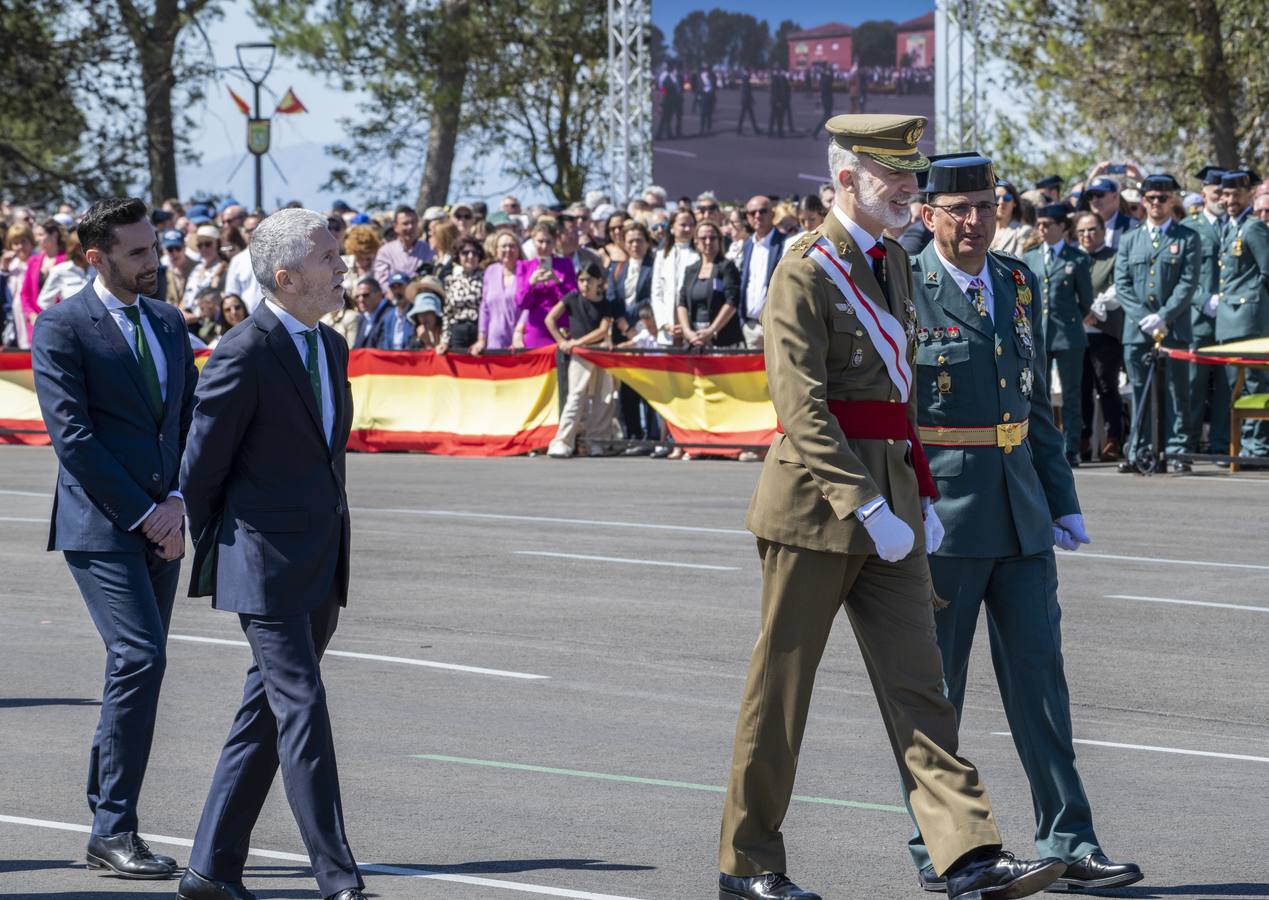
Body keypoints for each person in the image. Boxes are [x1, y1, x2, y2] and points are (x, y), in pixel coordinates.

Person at [719, 116, 1065, 900]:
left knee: (921, 689)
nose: (911, 191)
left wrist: (920, 490)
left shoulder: (895, 266)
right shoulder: (803, 269)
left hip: (895, 505)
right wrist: (866, 504)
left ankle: (967, 855)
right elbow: (800, 410)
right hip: (814, 508)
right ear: (846, 181)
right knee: (780, 694)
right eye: (894, 179)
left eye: (912, 178)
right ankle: (747, 865)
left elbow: (900, 394)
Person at [906, 153, 1143, 896]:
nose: (975, 221)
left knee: (1043, 684)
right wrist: (910, 503)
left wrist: (1061, 497)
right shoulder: (904, 289)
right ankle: (943, 851)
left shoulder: (1018, 280)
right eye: (959, 209)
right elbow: (897, 412)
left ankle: (1069, 839)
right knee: (935, 694)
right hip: (944, 515)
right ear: (927, 216)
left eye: (986, 205)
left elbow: (1031, 400)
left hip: (1021, 514)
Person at [177, 208, 366, 900]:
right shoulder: (243, 351)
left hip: (320, 560)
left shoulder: (331, 347)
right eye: (328, 257)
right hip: (260, 561)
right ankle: (337, 877)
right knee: (302, 708)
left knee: (265, 712)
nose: (342, 266)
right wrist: (216, 551)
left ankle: (209, 868)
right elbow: (200, 470)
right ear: (285, 277)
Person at [31, 197, 197, 881]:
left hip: (165, 519)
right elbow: (73, 438)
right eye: (135, 252)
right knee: (139, 659)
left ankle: (109, 819)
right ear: (96, 258)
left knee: (139, 666)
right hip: (103, 526)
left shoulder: (167, 320)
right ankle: (113, 827)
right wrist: (145, 513)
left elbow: (187, 419)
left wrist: (181, 502)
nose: (150, 260)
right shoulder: (62, 327)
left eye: (152, 246)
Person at [1113, 174, 1199, 473]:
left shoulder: (1188, 237)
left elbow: (1188, 283)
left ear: (1173, 199)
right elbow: (1121, 283)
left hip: (1172, 327)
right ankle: (1140, 449)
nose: (1156, 203)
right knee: (1139, 390)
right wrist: (1142, 317)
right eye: (1150, 198)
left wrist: (1164, 314)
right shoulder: (1129, 239)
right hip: (1137, 331)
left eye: (1162, 198)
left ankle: (1177, 449)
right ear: (1143, 199)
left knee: (1177, 391)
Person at [1024, 204, 1093, 465]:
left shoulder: (1076, 258)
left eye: (1047, 224)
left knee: (1071, 394)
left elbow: (1086, 300)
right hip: (1038, 333)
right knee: (1036, 391)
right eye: (1039, 224)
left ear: (1063, 227)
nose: (1041, 229)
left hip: (1068, 334)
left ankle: (1071, 446)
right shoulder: (1030, 257)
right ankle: (1038, 445)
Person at [1214, 170, 1269, 458]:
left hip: (1248, 317)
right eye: (1225, 194)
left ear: (1249, 194)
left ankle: (1256, 446)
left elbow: (1267, 270)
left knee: (1254, 384)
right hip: (1228, 319)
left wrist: (1255, 302)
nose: (1230, 199)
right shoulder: (1230, 227)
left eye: (1236, 194)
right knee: (1233, 386)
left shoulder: (1253, 227)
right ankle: (1243, 444)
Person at [546, 261, 618, 458]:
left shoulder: (605, 303)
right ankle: (563, 440)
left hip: (599, 352)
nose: (584, 284)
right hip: (579, 355)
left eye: (589, 280)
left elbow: (603, 330)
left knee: (603, 397)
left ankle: (598, 441)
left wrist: (577, 342)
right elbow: (550, 318)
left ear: (599, 282)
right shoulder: (572, 298)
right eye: (581, 280)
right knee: (576, 396)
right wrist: (562, 342)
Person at [1183, 166, 1231, 455]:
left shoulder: (1237, 225)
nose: (1223, 198)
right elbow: (1186, 276)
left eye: (1226, 193)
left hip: (1231, 319)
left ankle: (1221, 444)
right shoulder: (1191, 228)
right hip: (1199, 318)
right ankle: (1187, 446)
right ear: (1204, 194)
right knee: (1193, 387)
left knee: (1226, 387)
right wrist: (1203, 300)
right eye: (1217, 193)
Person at [1074, 211, 1125, 461]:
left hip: (1104, 333)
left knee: (1106, 387)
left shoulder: (1114, 257)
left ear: (1104, 231)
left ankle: (1113, 439)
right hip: (1076, 334)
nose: (1087, 235)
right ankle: (1082, 439)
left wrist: (1094, 309)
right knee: (1081, 388)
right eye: (1082, 231)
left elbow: (1118, 289)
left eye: (1092, 229)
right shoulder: (1072, 258)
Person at [677, 220, 742, 349]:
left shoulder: (727, 267)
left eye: (712, 238)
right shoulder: (690, 270)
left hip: (722, 339)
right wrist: (687, 332)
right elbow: (682, 302)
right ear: (695, 241)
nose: (708, 242)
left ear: (719, 240)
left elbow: (732, 301)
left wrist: (712, 330)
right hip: (694, 339)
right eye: (703, 238)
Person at [514, 220, 577, 349]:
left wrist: (558, 283)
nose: (544, 246)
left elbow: (574, 300)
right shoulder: (524, 266)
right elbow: (521, 303)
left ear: (554, 242)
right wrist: (530, 283)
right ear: (533, 241)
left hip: (561, 329)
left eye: (548, 242)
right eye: (540, 241)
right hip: (536, 330)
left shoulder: (565, 264)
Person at [738, 195, 786, 348]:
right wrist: (742, 322)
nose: (757, 216)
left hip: (775, 327)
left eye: (762, 211)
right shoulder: (746, 246)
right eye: (752, 213)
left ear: (772, 214)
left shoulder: (785, 243)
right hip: (749, 328)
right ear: (747, 217)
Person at [650, 209, 697, 347]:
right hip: (667, 330)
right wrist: (666, 324)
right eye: (683, 225)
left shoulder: (699, 254)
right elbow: (656, 293)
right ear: (671, 227)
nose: (687, 229)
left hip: (692, 330)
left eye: (691, 225)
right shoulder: (662, 255)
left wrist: (686, 327)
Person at [19, 219, 67, 345]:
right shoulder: (33, 261)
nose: (36, 239)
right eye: (36, 235)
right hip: (36, 325)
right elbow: (25, 294)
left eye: (40, 235)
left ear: (54, 235)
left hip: (60, 326)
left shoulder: (67, 261)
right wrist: (30, 314)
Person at [473, 230, 522, 354]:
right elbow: (484, 308)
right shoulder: (490, 271)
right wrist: (481, 339)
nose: (508, 249)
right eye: (503, 246)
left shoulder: (526, 270)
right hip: (494, 342)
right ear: (496, 251)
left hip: (519, 342)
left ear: (518, 249)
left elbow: (529, 308)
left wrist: (519, 333)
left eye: (512, 246)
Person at [373, 204, 435, 293]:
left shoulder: (428, 249)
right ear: (395, 227)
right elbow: (381, 283)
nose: (410, 227)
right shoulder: (385, 252)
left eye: (413, 222)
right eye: (405, 224)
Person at [440, 235, 484, 353]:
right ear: (458, 256)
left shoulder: (487, 278)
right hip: (458, 331)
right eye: (465, 253)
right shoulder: (451, 280)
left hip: (479, 330)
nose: (470, 256)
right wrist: (444, 340)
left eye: (474, 253)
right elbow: (448, 313)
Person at [37, 230, 92, 310]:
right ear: (76, 249)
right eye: (87, 246)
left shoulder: (99, 267)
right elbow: (44, 302)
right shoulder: (59, 271)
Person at [1080, 175, 1138, 248]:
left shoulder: (1132, 225)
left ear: (1115, 196)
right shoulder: (1082, 226)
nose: (1094, 200)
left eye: (1099, 194)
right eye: (1090, 196)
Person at [181, 224, 228, 314]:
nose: (203, 248)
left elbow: (218, 300)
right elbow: (185, 297)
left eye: (207, 244)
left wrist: (195, 317)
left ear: (217, 244)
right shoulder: (196, 268)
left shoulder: (224, 268)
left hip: (207, 323)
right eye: (200, 245)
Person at [3, 223, 35, 347]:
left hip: (32, 316)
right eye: (15, 243)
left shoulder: (38, 262)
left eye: (24, 241)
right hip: (15, 319)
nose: (20, 247)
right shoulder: (11, 265)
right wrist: (4, 270)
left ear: (31, 242)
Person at [990, 179, 1033, 257]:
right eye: (996, 197)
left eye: (1007, 198)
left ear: (1014, 203)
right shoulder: (984, 229)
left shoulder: (1024, 231)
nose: (1001, 202)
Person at [351, 275, 393, 349]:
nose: (360, 300)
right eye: (357, 296)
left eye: (365, 295)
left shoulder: (391, 315)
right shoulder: (362, 318)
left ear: (379, 295)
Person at [160, 228, 196, 310]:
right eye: (170, 249)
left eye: (178, 248)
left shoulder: (197, 268)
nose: (174, 253)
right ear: (164, 250)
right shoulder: (161, 272)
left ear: (184, 247)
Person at [406, 278, 446, 350]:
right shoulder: (415, 339)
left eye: (428, 312)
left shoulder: (448, 335)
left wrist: (428, 343)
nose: (423, 318)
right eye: (420, 314)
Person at [808, 65, 834, 138]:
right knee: (826, 117)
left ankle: (830, 134)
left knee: (828, 117)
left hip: (825, 99)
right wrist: (831, 71)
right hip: (827, 100)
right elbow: (831, 79)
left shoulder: (823, 79)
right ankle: (815, 132)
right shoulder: (826, 79)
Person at [737, 69, 762, 135]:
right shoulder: (746, 78)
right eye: (750, 71)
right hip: (746, 100)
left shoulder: (745, 78)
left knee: (746, 115)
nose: (751, 73)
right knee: (748, 115)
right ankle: (755, 129)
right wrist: (751, 99)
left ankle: (740, 129)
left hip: (745, 99)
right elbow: (747, 91)